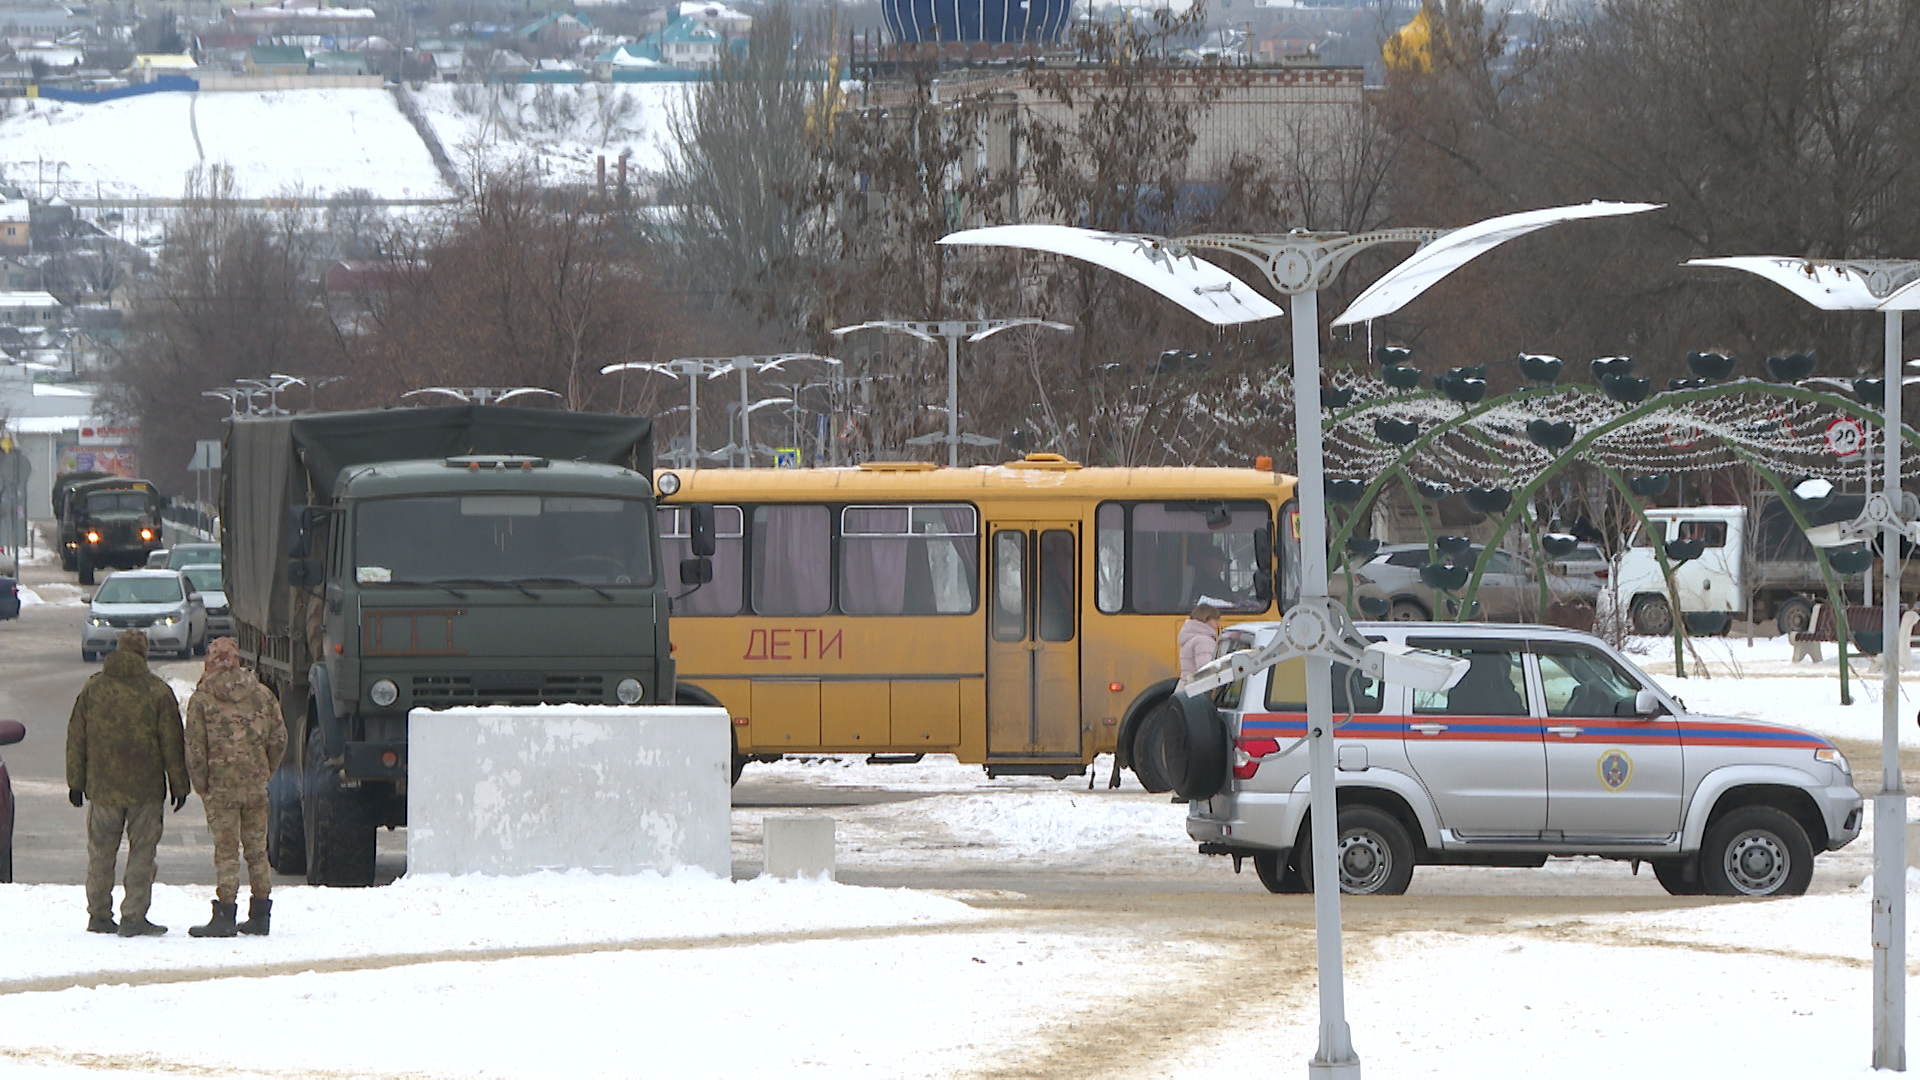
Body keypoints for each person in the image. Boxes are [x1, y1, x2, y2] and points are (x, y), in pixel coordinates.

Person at [66, 629, 189, 937]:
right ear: (144, 653)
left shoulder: (94, 688)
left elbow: (76, 738)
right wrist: (179, 784)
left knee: (101, 852)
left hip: (103, 788)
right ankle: (134, 916)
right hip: (145, 789)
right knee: (142, 851)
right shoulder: (157, 691)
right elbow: (172, 742)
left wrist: (76, 782)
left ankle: (99, 915)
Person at [184, 637, 287, 938]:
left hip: (221, 787)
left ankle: (225, 914)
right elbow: (279, 739)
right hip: (255, 784)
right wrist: (266, 771)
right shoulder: (262, 695)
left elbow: (195, 749)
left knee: (226, 851)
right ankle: (260, 913)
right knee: (257, 850)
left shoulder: (202, 699)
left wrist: (201, 784)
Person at [1175, 602, 1224, 688]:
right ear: (1206, 619)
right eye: (1215, 620)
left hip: (1185, 687)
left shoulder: (1190, 636)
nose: (1218, 625)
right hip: (1195, 691)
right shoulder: (1203, 641)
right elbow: (1206, 672)